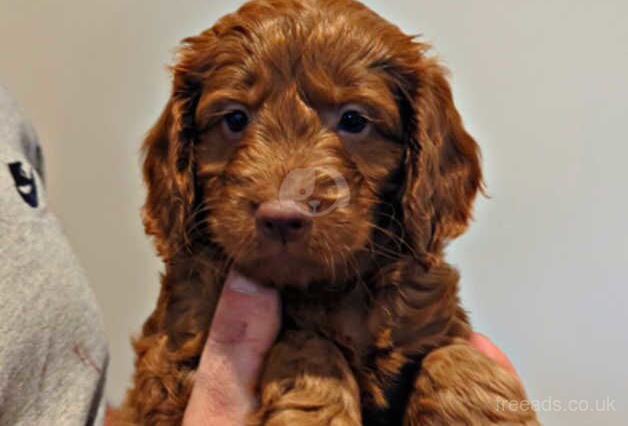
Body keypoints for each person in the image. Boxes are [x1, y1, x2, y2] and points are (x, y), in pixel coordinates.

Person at [0, 86, 520, 426]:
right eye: (234, 120)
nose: (283, 200)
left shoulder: (412, 292)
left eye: (355, 121)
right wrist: (306, 368)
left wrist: (459, 382)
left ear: (422, 157)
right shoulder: (200, 291)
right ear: (178, 158)